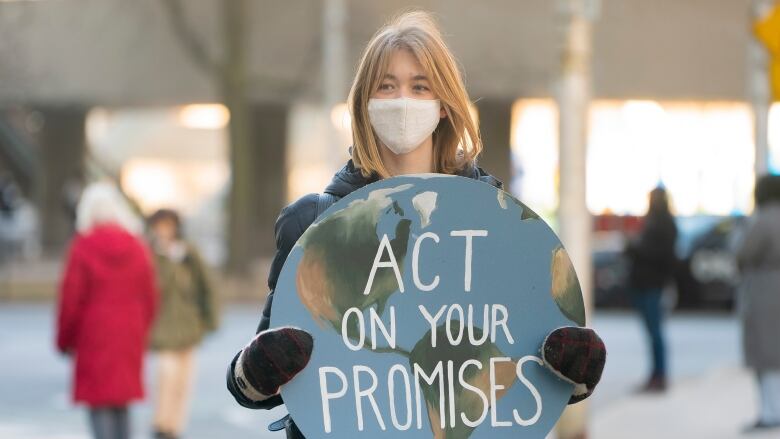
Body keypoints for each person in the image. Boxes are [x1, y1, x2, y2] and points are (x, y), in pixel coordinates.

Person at [225, 11, 606, 438]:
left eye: (419, 86)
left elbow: (530, 366)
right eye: (386, 85)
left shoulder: (498, 225)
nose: (401, 99)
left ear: (443, 105)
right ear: (364, 103)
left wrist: (577, 369)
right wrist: (256, 369)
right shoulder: (314, 223)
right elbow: (259, 384)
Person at [55, 182, 158, 439]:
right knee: (121, 400)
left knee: (99, 400)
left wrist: (64, 340)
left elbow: (70, 300)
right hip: (129, 331)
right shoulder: (137, 247)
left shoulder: (82, 247)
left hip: (94, 332)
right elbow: (151, 296)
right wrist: (142, 328)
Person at [146, 208, 219, 439]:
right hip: (162, 327)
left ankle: (175, 427)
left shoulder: (189, 253)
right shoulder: (150, 255)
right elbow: (152, 288)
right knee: (165, 376)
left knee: (183, 382)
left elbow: (206, 286)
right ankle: (161, 425)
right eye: (160, 225)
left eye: (168, 225)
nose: (164, 230)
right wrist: (167, 259)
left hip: (188, 326)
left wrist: (209, 320)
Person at [736, 174, 780, 431]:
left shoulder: (763, 220)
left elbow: (744, 254)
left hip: (765, 291)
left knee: (766, 354)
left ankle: (770, 413)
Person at [625, 186, 678, 392]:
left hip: (653, 285)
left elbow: (662, 255)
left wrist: (635, 249)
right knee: (652, 333)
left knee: (655, 333)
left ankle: (660, 375)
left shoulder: (664, 224)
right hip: (644, 284)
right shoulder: (653, 222)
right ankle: (656, 374)